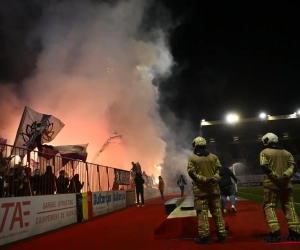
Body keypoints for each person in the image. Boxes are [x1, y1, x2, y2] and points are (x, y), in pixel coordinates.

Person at [260, 132, 300, 241]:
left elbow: (265, 166)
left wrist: (276, 177)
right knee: (289, 207)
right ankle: (295, 233)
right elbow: (294, 167)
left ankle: (275, 233)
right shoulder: (287, 153)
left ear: (267, 140)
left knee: (269, 207)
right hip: (286, 185)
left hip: (272, 186)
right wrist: (285, 176)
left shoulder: (264, 152)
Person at [187, 136, 226, 244]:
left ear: (195, 145)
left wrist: (203, 180)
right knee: (217, 213)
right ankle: (222, 236)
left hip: (201, 192)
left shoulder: (192, 158)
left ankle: (205, 238)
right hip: (214, 191)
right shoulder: (214, 157)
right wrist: (215, 179)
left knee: (202, 215)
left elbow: (191, 173)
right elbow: (221, 171)